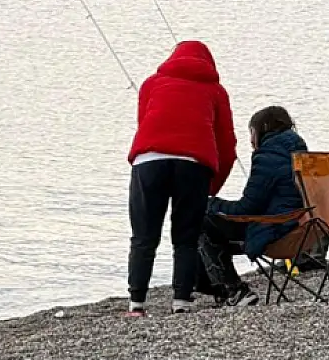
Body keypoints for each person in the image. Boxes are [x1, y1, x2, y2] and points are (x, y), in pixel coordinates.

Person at [126, 40, 236, 316]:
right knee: (186, 238)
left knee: (143, 236)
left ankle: (137, 303)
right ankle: (181, 302)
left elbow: (145, 124)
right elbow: (227, 145)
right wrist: (212, 186)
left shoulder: (151, 84)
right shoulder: (216, 91)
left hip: (149, 160)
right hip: (194, 164)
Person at [199, 105, 308, 306]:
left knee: (201, 221)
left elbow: (246, 208)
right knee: (210, 227)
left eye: (251, 132)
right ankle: (215, 287)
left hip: (277, 231)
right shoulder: (300, 153)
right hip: (305, 230)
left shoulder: (268, 157)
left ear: (263, 129)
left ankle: (232, 290)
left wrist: (210, 203)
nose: (250, 141)